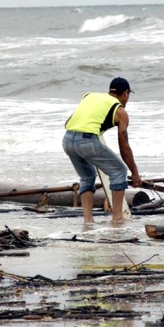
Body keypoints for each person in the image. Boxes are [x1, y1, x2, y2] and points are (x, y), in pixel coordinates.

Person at [63, 77, 141, 224]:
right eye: (128, 95)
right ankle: (117, 218)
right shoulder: (120, 111)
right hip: (86, 142)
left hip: (67, 140)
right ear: (125, 93)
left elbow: (68, 123)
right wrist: (135, 173)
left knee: (87, 177)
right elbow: (124, 146)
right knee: (119, 171)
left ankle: (88, 220)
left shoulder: (90, 96)